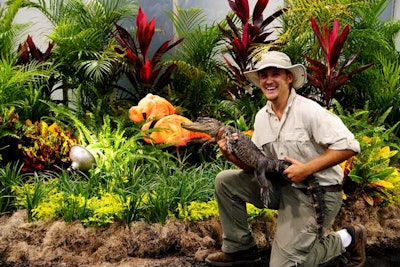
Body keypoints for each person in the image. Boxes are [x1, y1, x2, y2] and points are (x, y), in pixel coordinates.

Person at [205, 51, 366, 267]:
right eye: (264, 75)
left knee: (285, 265)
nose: (269, 81)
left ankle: (347, 239)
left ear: (289, 78)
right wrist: (230, 155)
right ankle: (240, 249)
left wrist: (307, 169)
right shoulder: (262, 117)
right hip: (284, 187)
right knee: (225, 181)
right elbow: (259, 164)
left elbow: (350, 146)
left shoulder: (309, 111)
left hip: (318, 194)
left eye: (275, 74)